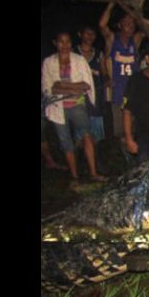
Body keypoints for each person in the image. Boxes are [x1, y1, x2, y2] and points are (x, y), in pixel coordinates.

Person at [41, 31, 107, 186]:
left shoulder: (78, 60)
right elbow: (48, 89)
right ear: (55, 43)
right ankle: (75, 176)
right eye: (61, 42)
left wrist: (61, 85)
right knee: (66, 141)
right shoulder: (48, 62)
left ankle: (93, 173)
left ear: (71, 43)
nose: (64, 45)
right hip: (57, 108)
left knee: (87, 135)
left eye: (67, 42)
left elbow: (86, 85)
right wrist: (73, 87)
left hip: (77, 105)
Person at [99, 2, 149, 139]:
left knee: (137, 128)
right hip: (117, 92)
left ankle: (138, 157)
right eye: (125, 22)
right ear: (119, 25)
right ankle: (125, 157)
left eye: (132, 23)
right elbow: (102, 25)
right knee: (121, 131)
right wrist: (110, 5)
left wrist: (137, 17)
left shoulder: (136, 40)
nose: (129, 24)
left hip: (135, 91)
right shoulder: (112, 39)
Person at [74, 25, 106, 142]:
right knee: (80, 129)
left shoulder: (99, 54)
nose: (90, 36)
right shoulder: (73, 52)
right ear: (80, 34)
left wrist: (106, 79)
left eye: (92, 34)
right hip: (78, 95)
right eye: (87, 33)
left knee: (96, 131)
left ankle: (96, 153)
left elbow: (104, 73)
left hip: (96, 94)